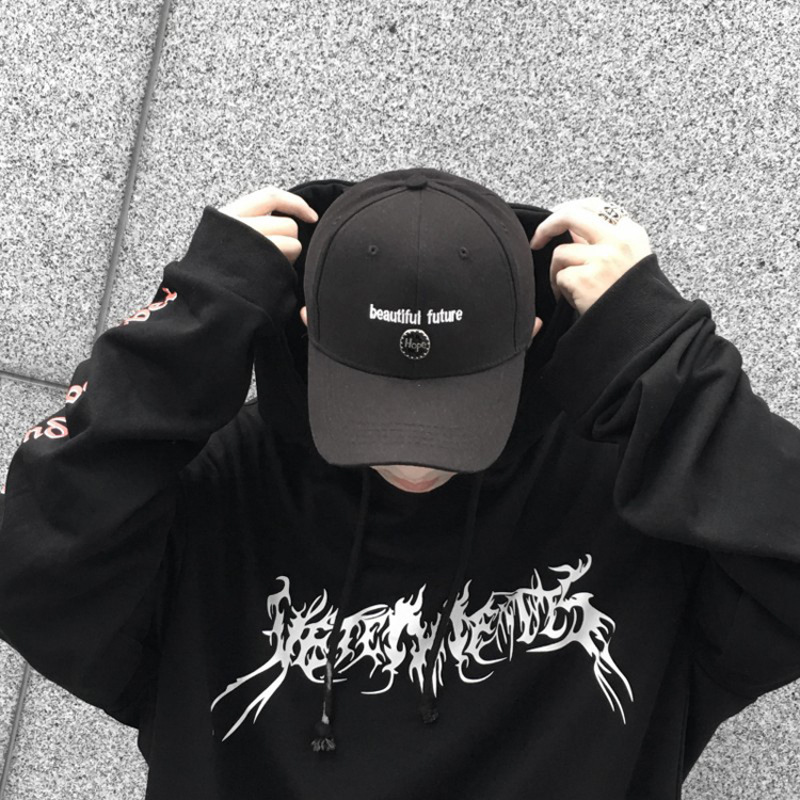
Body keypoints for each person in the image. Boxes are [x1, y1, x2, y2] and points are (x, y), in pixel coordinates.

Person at [0, 166, 798, 800]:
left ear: (529, 335)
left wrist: (663, 353)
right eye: (377, 395)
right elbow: (28, 567)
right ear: (309, 327)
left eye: (453, 399)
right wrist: (194, 314)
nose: (416, 455)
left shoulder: (631, 502)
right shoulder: (222, 489)